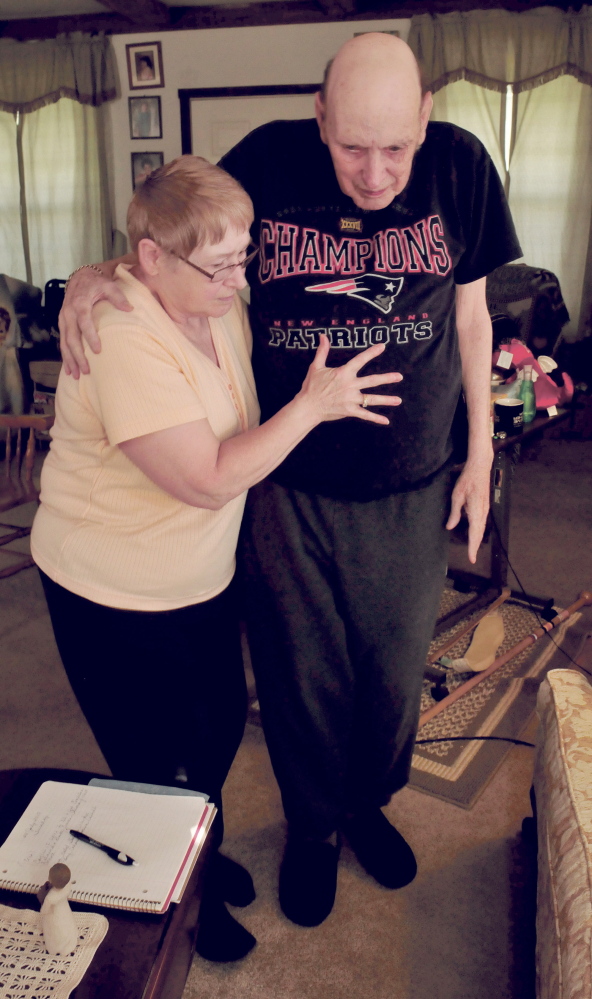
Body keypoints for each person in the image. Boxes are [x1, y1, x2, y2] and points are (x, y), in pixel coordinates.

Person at [58, 33, 522, 929]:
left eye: (397, 146)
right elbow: (172, 242)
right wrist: (92, 273)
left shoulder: (461, 166)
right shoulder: (266, 159)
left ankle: (365, 803)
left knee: (390, 675)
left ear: (427, 116)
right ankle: (312, 829)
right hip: (283, 481)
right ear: (319, 116)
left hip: (410, 477)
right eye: (354, 146)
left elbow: (471, 314)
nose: (378, 172)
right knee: (299, 675)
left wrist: (482, 449)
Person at [33, 153, 402, 961]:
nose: (240, 281)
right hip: (108, 590)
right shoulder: (123, 334)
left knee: (217, 729)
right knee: (149, 763)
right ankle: (182, 903)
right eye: (221, 265)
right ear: (153, 259)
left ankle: (203, 851)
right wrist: (314, 407)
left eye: (246, 257)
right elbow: (204, 479)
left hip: (195, 577)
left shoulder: (214, 299)